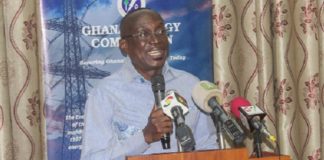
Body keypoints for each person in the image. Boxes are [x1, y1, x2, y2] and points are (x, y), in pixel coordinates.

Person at [80, 8, 218, 160]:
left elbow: (209, 146)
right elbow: (93, 158)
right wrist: (144, 137)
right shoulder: (105, 93)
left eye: (160, 32)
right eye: (143, 34)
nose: (155, 40)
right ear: (124, 45)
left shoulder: (191, 84)